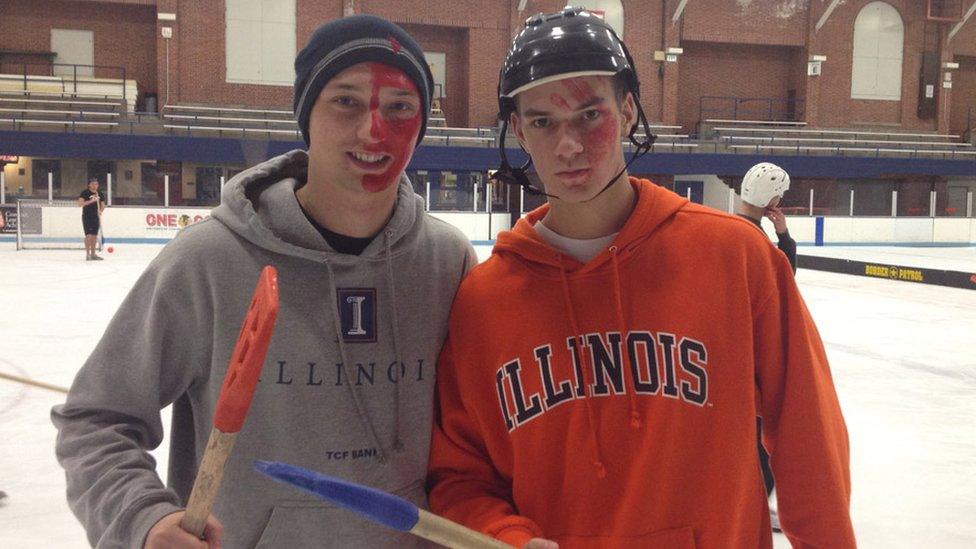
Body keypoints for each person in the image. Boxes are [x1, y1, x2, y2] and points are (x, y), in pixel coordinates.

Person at [427, 8, 854, 548]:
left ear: (628, 110)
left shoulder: (735, 257)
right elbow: (460, 477)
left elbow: (808, 435)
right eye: (542, 121)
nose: (568, 146)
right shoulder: (483, 303)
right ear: (517, 130)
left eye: (588, 114)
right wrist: (506, 536)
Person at [53, 15, 474, 549]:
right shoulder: (209, 260)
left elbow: (479, 443)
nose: (374, 130)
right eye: (345, 101)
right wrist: (142, 518)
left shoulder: (447, 263)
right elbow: (96, 419)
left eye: (400, 107)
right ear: (307, 115)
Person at [735, 161, 797, 532]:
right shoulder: (754, 240)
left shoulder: (728, 228)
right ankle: (755, 503)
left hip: (730, 354)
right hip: (751, 359)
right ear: (769, 196)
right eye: (780, 194)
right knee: (762, 441)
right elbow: (784, 280)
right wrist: (785, 237)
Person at [77, 177, 105, 260]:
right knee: (88, 235)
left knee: (94, 236)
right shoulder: (85, 193)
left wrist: (100, 211)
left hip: (95, 217)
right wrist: (91, 201)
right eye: (93, 184)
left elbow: (102, 205)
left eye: (96, 184)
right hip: (87, 217)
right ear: (89, 185)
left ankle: (93, 254)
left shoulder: (99, 193)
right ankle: (87, 254)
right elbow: (80, 204)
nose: (94, 186)